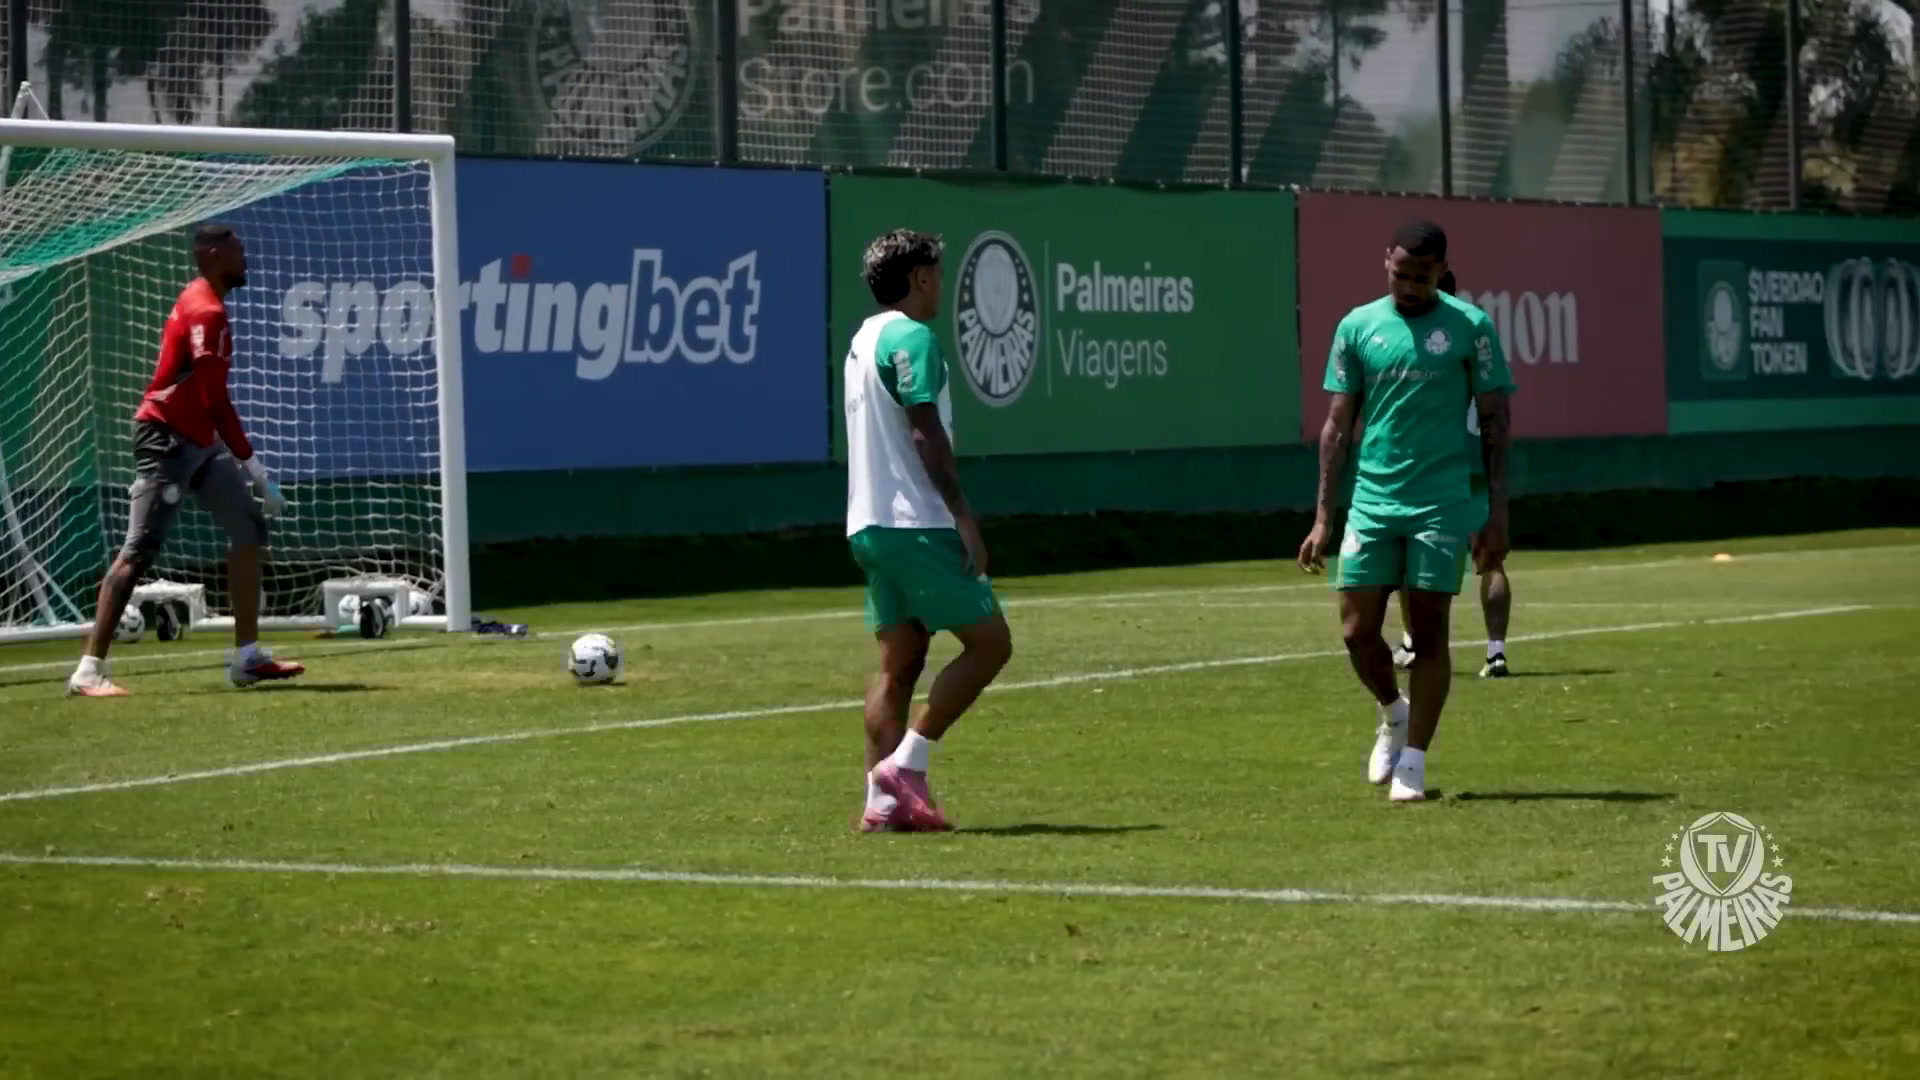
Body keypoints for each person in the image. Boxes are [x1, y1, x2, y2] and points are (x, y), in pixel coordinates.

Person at [1297, 221, 1513, 802]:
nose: (1410, 286)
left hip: (1440, 503)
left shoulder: (1470, 327)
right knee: (1356, 631)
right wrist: (1323, 518)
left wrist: (1496, 510)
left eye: (1422, 276)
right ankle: (1393, 712)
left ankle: (1413, 763)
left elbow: (1496, 422)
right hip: (1371, 501)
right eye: (1400, 274)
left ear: (1442, 270)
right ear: (1384, 263)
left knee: (1430, 632)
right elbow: (1337, 427)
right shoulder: (1357, 326)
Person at [66, 224, 304, 697]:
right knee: (138, 553)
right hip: (166, 441)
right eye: (238, 251)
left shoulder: (204, 300)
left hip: (200, 441)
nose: (246, 258)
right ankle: (89, 670)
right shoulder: (207, 311)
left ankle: (247, 657)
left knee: (248, 529)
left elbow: (207, 404)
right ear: (214, 256)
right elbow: (217, 403)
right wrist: (257, 472)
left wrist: (248, 477)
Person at [843, 228, 1014, 832]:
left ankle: (881, 804)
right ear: (918, 277)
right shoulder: (913, 336)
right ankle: (904, 767)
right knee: (992, 643)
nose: (941, 284)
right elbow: (924, 431)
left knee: (899, 665)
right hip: (915, 523)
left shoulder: (863, 339)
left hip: (867, 524)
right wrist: (963, 514)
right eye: (937, 273)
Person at [1390, 269, 1513, 677]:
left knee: (1410, 560)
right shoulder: (1477, 334)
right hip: (1476, 466)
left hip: (1435, 470)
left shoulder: (1422, 342)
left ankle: (1414, 642)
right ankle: (1495, 652)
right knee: (1490, 562)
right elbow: (1499, 413)